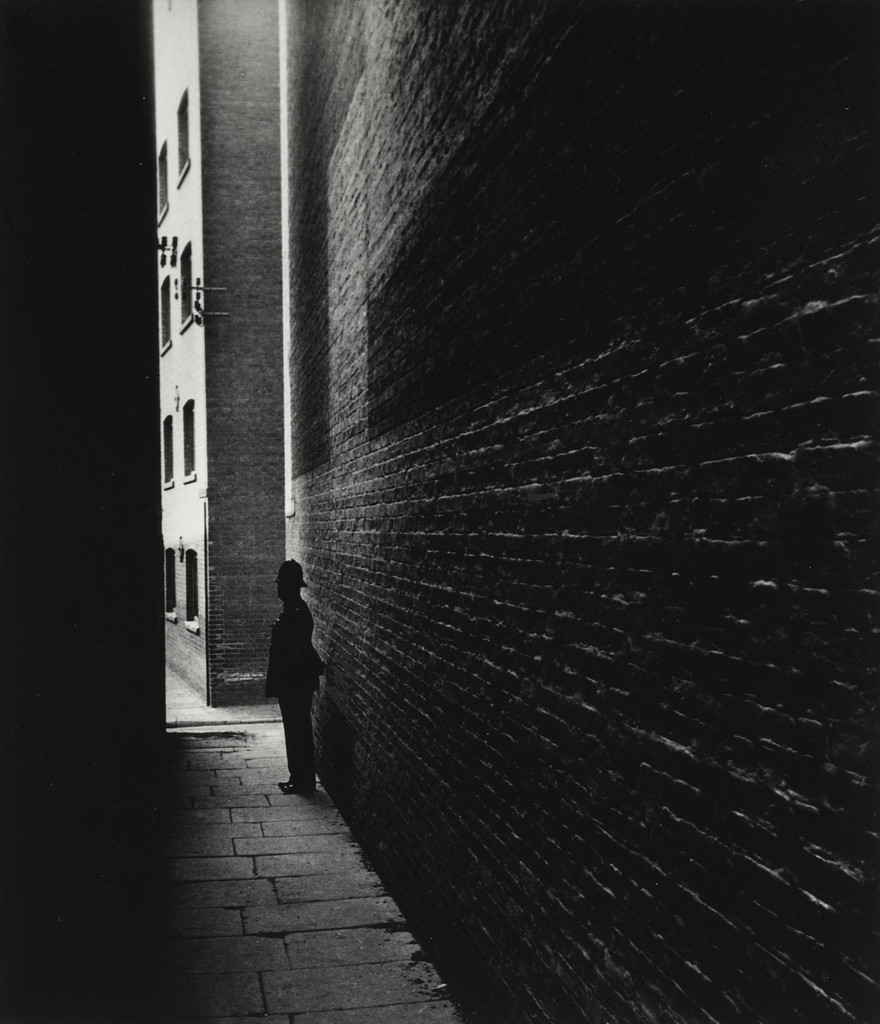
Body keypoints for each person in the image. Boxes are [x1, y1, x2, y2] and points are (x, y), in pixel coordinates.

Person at [265, 559, 323, 794]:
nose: (279, 589)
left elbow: (297, 650)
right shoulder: (292, 610)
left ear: (291, 586)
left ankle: (303, 780)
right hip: (291, 681)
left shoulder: (297, 612)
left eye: (282, 584)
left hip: (295, 683)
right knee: (295, 730)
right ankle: (297, 776)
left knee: (298, 730)